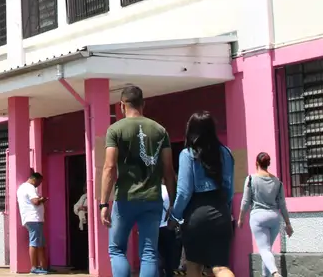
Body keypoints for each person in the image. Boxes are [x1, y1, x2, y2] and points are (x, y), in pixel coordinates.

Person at [100, 84, 177, 277]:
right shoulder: (160, 130)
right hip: (152, 199)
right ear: (143, 103)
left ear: (122, 105)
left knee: (117, 249)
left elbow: (109, 167)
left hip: (125, 199)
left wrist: (104, 203)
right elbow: (168, 170)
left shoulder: (115, 130)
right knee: (149, 253)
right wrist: (173, 202)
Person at [170, 112, 235, 277]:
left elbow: (184, 192)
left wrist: (175, 215)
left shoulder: (187, 154)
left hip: (195, 214)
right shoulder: (226, 152)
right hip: (220, 211)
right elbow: (229, 189)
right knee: (220, 267)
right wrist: (224, 209)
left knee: (194, 266)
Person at [237, 152, 292, 277]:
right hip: (274, 218)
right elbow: (282, 204)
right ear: (268, 164)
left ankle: (275, 273)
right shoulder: (277, 182)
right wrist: (288, 224)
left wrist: (241, 218)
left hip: (258, 217)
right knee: (267, 250)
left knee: (264, 250)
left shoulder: (251, 179)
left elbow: (245, 201)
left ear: (256, 163)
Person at [17, 171, 48, 274]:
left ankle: (43, 267)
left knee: (40, 243)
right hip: (34, 218)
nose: (39, 185)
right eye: (39, 182)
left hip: (30, 218)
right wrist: (43, 199)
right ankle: (34, 268)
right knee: (34, 242)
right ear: (34, 179)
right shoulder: (30, 187)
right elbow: (35, 201)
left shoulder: (21, 187)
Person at [156, 185, 180, 277]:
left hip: (154, 228)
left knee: (156, 258)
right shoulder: (169, 190)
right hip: (168, 227)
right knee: (169, 259)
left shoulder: (151, 190)